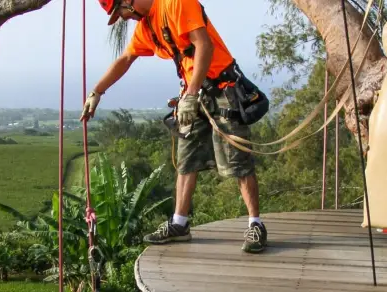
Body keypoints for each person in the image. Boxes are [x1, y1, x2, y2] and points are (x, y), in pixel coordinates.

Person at [80, 0, 268, 253]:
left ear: (128, 1)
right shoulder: (147, 27)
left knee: (238, 161)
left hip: (222, 88)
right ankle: (180, 223)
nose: (123, 18)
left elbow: (204, 45)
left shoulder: (176, 3)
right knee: (186, 158)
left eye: (120, 12)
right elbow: (126, 58)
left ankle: (255, 223)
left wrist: (190, 95)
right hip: (195, 93)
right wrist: (97, 92)